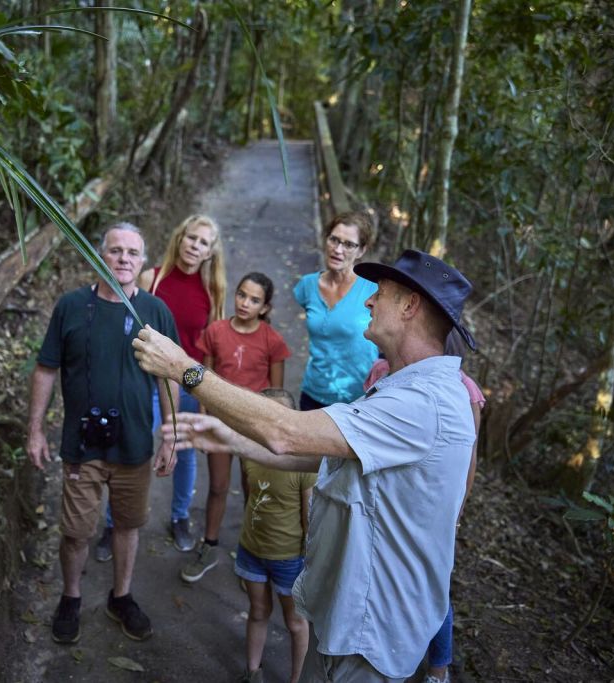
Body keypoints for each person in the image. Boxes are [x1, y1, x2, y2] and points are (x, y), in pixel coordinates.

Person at [133, 249, 479, 681]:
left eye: (381, 294)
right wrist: (230, 436)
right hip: (346, 616)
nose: (368, 301)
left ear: (410, 306)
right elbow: (323, 449)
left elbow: (287, 431)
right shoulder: (400, 385)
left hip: (372, 633)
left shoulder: (421, 404)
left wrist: (183, 369)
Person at [26, 223, 179, 645]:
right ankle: (71, 598)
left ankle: (121, 596)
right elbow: (45, 369)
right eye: (115, 251)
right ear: (99, 256)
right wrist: (35, 430)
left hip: (134, 446)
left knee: (128, 526)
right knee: (76, 531)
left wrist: (170, 435)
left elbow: (172, 377)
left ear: (143, 262)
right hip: (82, 444)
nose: (123, 259)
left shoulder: (156, 312)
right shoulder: (71, 307)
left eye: (132, 252)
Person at [96, 214, 228, 559]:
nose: (194, 246)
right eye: (191, 238)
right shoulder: (151, 277)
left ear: (210, 251)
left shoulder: (213, 290)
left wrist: (206, 395)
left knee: (183, 451)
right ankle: (113, 523)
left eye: (203, 242)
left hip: (187, 382)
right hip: (147, 380)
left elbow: (211, 345)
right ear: (179, 238)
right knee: (133, 449)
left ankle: (179, 516)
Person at [362, 332, 485, 683]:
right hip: (389, 503)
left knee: (433, 588)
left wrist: (456, 515)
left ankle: (438, 668)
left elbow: (468, 460)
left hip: (432, 508)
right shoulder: (382, 372)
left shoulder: (464, 391)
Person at [181, 272, 291, 583]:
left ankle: (252, 557)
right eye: (242, 295)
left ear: (265, 307)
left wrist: (268, 432)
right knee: (217, 486)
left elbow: (277, 396)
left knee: (253, 489)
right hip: (219, 422)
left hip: (253, 427)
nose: (245, 303)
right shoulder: (215, 332)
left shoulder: (272, 340)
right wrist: (204, 420)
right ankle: (210, 546)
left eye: (254, 300)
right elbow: (205, 378)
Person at [235, 388, 314, 683]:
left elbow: (309, 517)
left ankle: (296, 679)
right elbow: (251, 497)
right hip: (251, 550)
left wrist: (308, 560)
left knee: (295, 622)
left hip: (289, 559)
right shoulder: (250, 454)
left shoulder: (305, 464)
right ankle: (253, 672)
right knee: (257, 611)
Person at [294, 211, 378, 411]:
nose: (338, 250)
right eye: (334, 240)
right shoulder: (307, 286)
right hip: (313, 393)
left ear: (361, 251)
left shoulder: (373, 290)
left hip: (358, 400)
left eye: (348, 244)